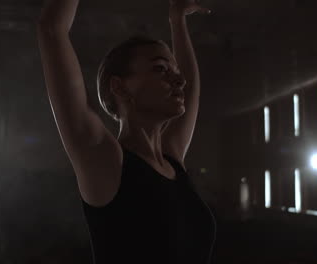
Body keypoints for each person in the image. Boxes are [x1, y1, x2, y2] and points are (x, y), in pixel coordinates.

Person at [37, 0, 216, 263]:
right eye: (160, 69)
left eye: (175, 71)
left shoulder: (172, 159)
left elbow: (189, 86)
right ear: (120, 88)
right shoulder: (106, 160)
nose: (179, 80)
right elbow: (52, 29)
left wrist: (177, 21)